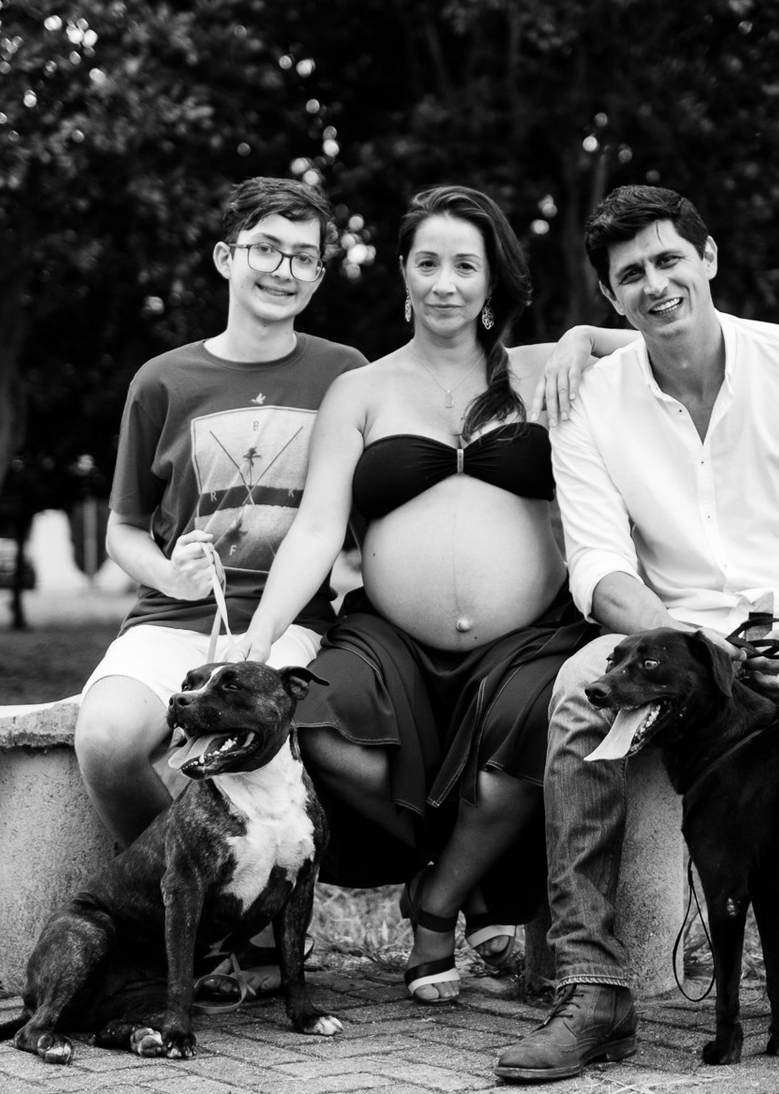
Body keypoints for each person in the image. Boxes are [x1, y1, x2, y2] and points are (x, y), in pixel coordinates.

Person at [495, 183, 779, 1083]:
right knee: (582, 693)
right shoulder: (589, 399)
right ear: (612, 298)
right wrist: (693, 658)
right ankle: (594, 988)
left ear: (708, 257)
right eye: (631, 275)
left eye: (668, 260)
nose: (655, 284)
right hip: (675, 637)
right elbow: (597, 564)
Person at [244, 185, 632, 1003]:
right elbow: (318, 530)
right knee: (315, 722)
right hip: (388, 638)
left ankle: (436, 903)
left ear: (494, 282)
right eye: (429, 263)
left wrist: (583, 334)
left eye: (466, 265)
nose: (446, 283)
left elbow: (663, 333)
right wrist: (258, 636)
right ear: (404, 274)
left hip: (528, 638)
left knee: (520, 761)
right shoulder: (362, 389)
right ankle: (450, 862)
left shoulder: (542, 373)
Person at [75, 177, 366, 851]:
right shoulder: (161, 382)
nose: (283, 270)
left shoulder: (347, 374)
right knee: (108, 742)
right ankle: (193, 899)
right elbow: (124, 526)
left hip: (290, 624)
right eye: (266, 248)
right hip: (169, 620)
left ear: (319, 275)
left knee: (252, 740)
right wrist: (169, 575)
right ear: (225, 257)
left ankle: (247, 904)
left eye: (303, 256)